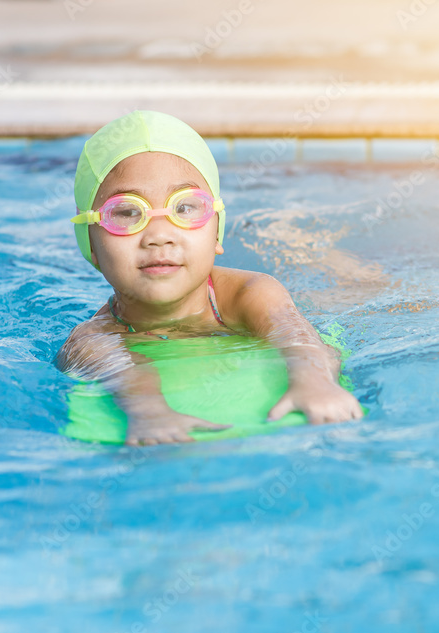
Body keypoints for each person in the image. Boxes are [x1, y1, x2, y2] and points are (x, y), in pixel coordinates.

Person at [54, 110, 364, 446]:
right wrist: (150, 413)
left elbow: (300, 340)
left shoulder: (251, 293)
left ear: (217, 231)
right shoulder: (91, 340)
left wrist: (315, 382)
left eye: (185, 208)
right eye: (127, 213)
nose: (159, 236)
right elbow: (126, 374)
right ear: (91, 245)